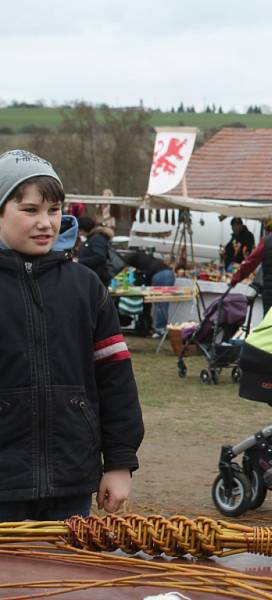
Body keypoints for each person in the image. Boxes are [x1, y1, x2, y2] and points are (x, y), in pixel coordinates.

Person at [0, 149, 144, 520]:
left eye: (53, 210)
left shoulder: (86, 287)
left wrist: (119, 463)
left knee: (63, 578)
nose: (46, 222)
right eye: (30, 210)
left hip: (72, 481)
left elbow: (116, 381)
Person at [123, 250, 176, 337]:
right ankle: (159, 328)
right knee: (162, 303)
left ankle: (160, 330)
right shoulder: (146, 259)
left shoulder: (132, 257)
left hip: (161, 275)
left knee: (160, 303)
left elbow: (123, 267)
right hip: (168, 274)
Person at [77, 219, 115, 286]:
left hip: (98, 277)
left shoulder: (96, 238)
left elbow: (100, 256)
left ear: (82, 229)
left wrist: (79, 261)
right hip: (95, 276)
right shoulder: (92, 238)